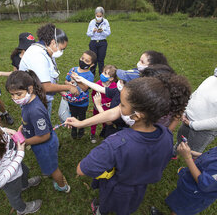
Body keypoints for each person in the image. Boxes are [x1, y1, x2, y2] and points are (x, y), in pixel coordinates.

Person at [73, 74, 191, 215]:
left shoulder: (115, 144)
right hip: (138, 188)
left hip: (115, 187)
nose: (119, 107)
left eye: (122, 105)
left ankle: (100, 211)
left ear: (138, 115)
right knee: (125, 208)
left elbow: (81, 169)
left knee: (106, 204)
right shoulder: (166, 134)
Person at [6, 70, 70, 193]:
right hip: (40, 143)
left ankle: (63, 186)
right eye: (12, 95)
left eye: (18, 94)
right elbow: (27, 120)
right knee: (50, 165)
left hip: (44, 146)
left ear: (30, 89)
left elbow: (44, 135)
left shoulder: (35, 110)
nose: (15, 98)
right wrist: (22, 127)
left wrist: (25, 142)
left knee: (53, 169)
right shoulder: (28, 101)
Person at [19, 23, 78, 117]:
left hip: (41, 99)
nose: (61, 52)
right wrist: (69, 88)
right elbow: (45, 86)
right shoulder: (38, 55)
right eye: (62, 49)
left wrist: (62, 92)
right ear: (53, 42)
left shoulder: (47, 50)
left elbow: (48, 77)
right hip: (35, 103)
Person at [152, 142, 217, 215]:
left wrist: (188, 157)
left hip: (196, 195)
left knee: (181, 210)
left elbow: (204, 183)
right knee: (180, 198)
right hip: (189, 184)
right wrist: (195, 154)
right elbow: (212, 156)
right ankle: (175, 204)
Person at [174, 71, 217, 154]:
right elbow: (195, 95)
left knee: (194, 151)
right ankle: (174, 152)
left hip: (204, 130)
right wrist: (184, 110)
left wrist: (192, 124)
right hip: (187, 119)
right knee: (180, 139)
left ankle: (191, 166)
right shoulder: (211, 79)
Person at [63, 50, 95, 139]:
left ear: (91, 65)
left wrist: (77, 79)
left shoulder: (90, 75)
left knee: (81, 117)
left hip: (82, 103)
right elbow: (66, 80)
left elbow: (84, 88)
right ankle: (74, 129)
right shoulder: (73, 69)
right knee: (73, 115)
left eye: (87, 61)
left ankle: (81, 129)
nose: (83, 61)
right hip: (72, 101)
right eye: (82, 58)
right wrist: (69, 84)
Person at [90, 65, 117, 143]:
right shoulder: (97, 84)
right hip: (97, 108)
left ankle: (104, 132)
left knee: (106, 122)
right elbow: (93, 94)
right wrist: (95, 103)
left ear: (111, 78)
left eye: (105, 73)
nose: (102, 74)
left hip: (108, 109)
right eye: (103, 71)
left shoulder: (114, 86)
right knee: (94, 121)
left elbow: (115, 97)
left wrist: (111, 103)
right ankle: (92, 134)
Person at [87, 6, 111, 76]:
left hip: (102, 43)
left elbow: (108, 33)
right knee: (93, 59)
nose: (99, 17)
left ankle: (101, 73)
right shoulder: (92, 22)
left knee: (101, 59)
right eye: (97, 15)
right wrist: (93, 31)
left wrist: (102, 31)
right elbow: (88, 33)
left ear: (103, 15)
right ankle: (92, 73)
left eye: (100, 16)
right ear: (95, 15)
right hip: (93, 42)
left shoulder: (106, 22)